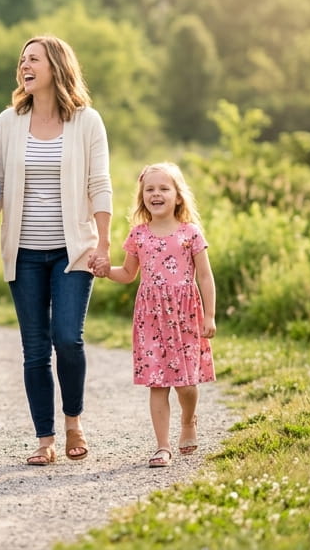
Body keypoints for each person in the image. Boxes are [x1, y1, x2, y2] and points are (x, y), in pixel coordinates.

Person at [0, 34, 112, 466]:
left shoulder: (87, 121)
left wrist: (104, 242)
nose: (25, 65)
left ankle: (73, 420)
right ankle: (45, 439)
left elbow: (99, 183)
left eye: (35, 59)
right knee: (35, 347)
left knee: (68, 338)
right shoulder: (9, 121)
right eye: (22, 59)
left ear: (57, 67)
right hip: (22, 251)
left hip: (73, 250)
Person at [101, 162, 217, 468]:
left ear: (178, 196)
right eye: (149, 189)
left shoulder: (190, 233)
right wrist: (104, 271)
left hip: (186, 316)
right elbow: (128, 273)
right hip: (151, 319)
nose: (156, 194)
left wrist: (210, 316)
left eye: (164, 188)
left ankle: (189, 420)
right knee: (158, 382)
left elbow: (205, 276)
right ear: (142, 197)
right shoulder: (138, 235)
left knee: (187, 384)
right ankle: (162, 446)